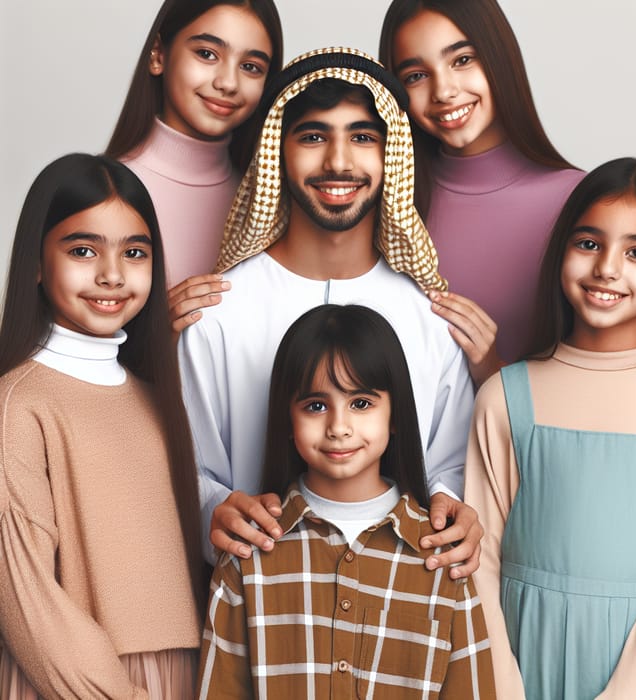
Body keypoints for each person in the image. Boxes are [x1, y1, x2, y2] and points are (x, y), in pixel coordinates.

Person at [179, 47, 482, 578]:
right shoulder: (217, 314)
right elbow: (191, 469)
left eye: (362, 137)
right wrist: (213, 511)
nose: (339, 162)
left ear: (392, 155)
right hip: (256, 615)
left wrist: (451, 506)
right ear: (277, 152)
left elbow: (448, 466)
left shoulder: (432, 319)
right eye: (313, 137)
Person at [465, 158, 636, 699]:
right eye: (589, 243)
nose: (607, 269)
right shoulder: (503, 396)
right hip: (519, 669)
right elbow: (478, 564)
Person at [197, 304, 496, 698]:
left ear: (394, 416)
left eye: (361, 403)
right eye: (316, 406)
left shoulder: (440, 556)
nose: (339, 427)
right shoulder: (249, 551)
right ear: (288, 419)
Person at [0, 154, 205, 698]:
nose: (112, 274)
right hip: (74, 682)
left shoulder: (157, 399)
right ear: (37, 263)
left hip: (179, 676)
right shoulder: (18, 406)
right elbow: (29, 602)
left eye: (134, 253)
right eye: (83, 250)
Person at [379, 0, 584, 384]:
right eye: (416, 75)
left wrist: (493, 371)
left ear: (499, 57)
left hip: (520, 442)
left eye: (461, 60)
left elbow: (610, 373)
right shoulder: (386, 206)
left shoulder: (579, 202)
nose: (443, 91)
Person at [106, 0, 283, 333]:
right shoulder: (108, 193)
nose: (228, 83)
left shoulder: (273, 205)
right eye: (207, 54)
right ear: (158, 54)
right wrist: (158, 335)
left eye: (251, 67)